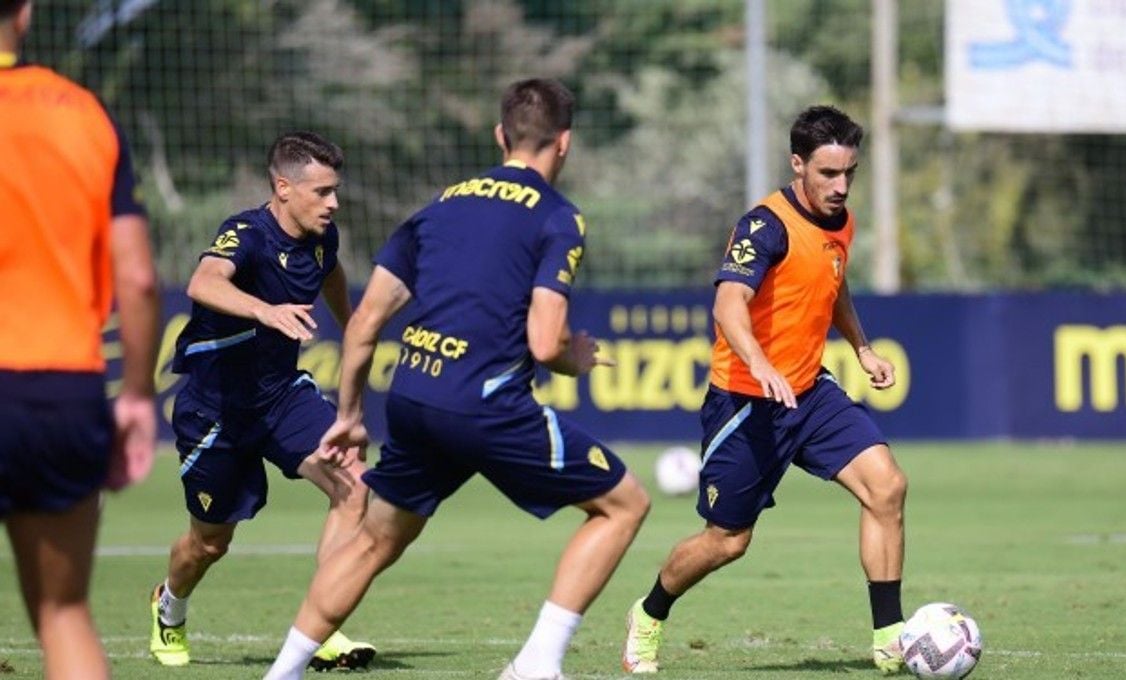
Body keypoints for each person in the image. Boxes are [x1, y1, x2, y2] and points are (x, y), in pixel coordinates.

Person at [263, 77, 651, 680]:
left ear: (501, 136)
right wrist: (574, 356)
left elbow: (364, 321)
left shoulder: (440, 205)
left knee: (372, 542)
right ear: (565, 142)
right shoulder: (559, 217)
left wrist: (349, 414)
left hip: (414, 396)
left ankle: (279, 674)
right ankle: (536, 665)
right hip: (484, 403)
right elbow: (545, 344)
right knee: (624, 504)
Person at [621, 105, 909, 675]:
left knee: (887, 487)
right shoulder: (765, 225)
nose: (841, 186)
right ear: (797, 164)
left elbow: (834, 283)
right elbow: (728, 303)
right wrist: (760, 364)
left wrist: (862, 347)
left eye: (849, 173)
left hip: (809, 392)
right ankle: (649, 613)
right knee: (728, 541)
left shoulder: (841, 222)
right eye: (828, 174)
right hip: (744, 402)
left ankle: (891, 637)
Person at [149, 131, 375, 671]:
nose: (333, 203)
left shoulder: (323, 238)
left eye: (335, 190)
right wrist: (264, 310)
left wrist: (355, 325)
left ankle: (322, 627)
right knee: (208, 545)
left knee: (354, 483)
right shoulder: (245, 233)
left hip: (280, 397)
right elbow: (204, 282)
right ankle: (169, 604)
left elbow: (329, 272)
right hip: (216, 411)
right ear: (283, 188)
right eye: (321, 192)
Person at [0, 1, 161, 678]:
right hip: (59, 389)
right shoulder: (84, 114)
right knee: (63, 613)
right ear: (27, 12)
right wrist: (136, 398)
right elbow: (139, 276)